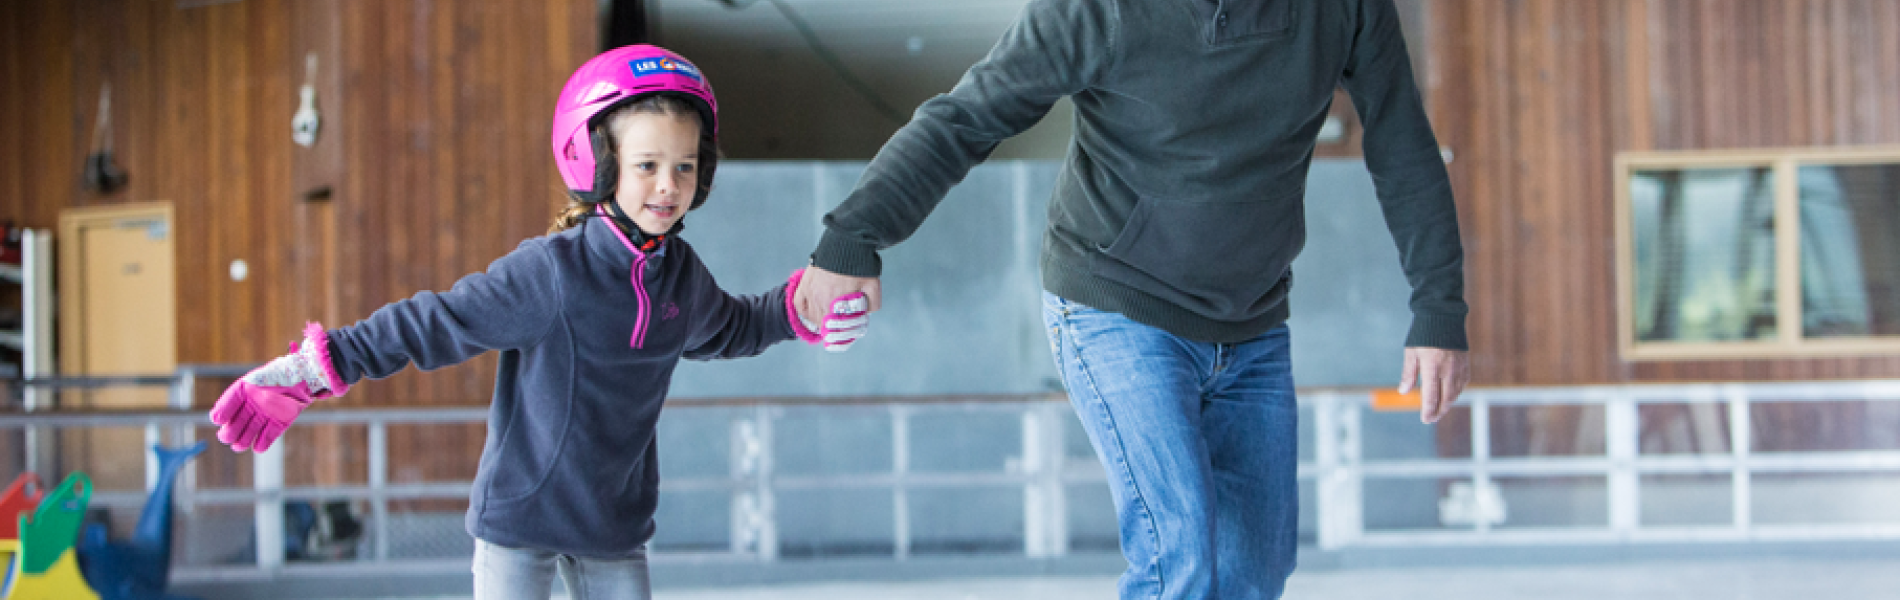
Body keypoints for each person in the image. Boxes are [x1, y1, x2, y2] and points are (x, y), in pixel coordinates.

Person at [794, 0, 1471, 597]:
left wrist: (1438, 308)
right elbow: (964, 119)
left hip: (1254, 318)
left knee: (1255, 571)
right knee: (1180, 553)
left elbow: (1403, 142)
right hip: (1115, 305)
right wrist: (852, 238)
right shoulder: (1096, 9)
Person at [207, 45, 866, 599]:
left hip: (614, 524)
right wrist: (316, 366)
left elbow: (733, 328)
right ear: (598, 164)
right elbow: (434, 322)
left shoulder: (682, 276)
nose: (668, 185)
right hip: (523, 519)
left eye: (684, 167)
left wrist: (795, 307)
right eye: (646, 166)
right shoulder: (552, 273)